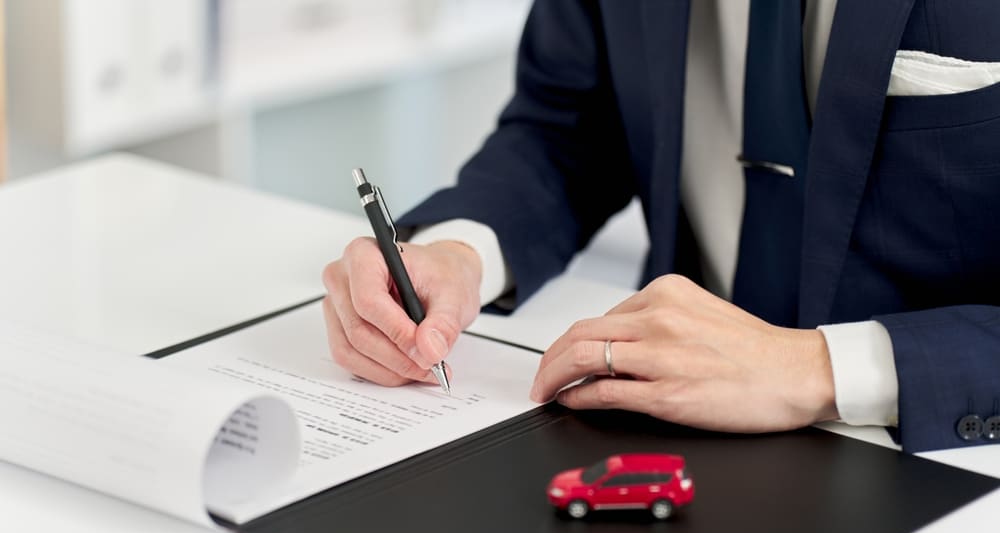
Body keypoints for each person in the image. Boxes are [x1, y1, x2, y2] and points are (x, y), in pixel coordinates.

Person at [322, 0, 1000, 453]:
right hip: (662, 436)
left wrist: (816, 369)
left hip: (937, 463)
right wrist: (462, 249)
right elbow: (570, 121)